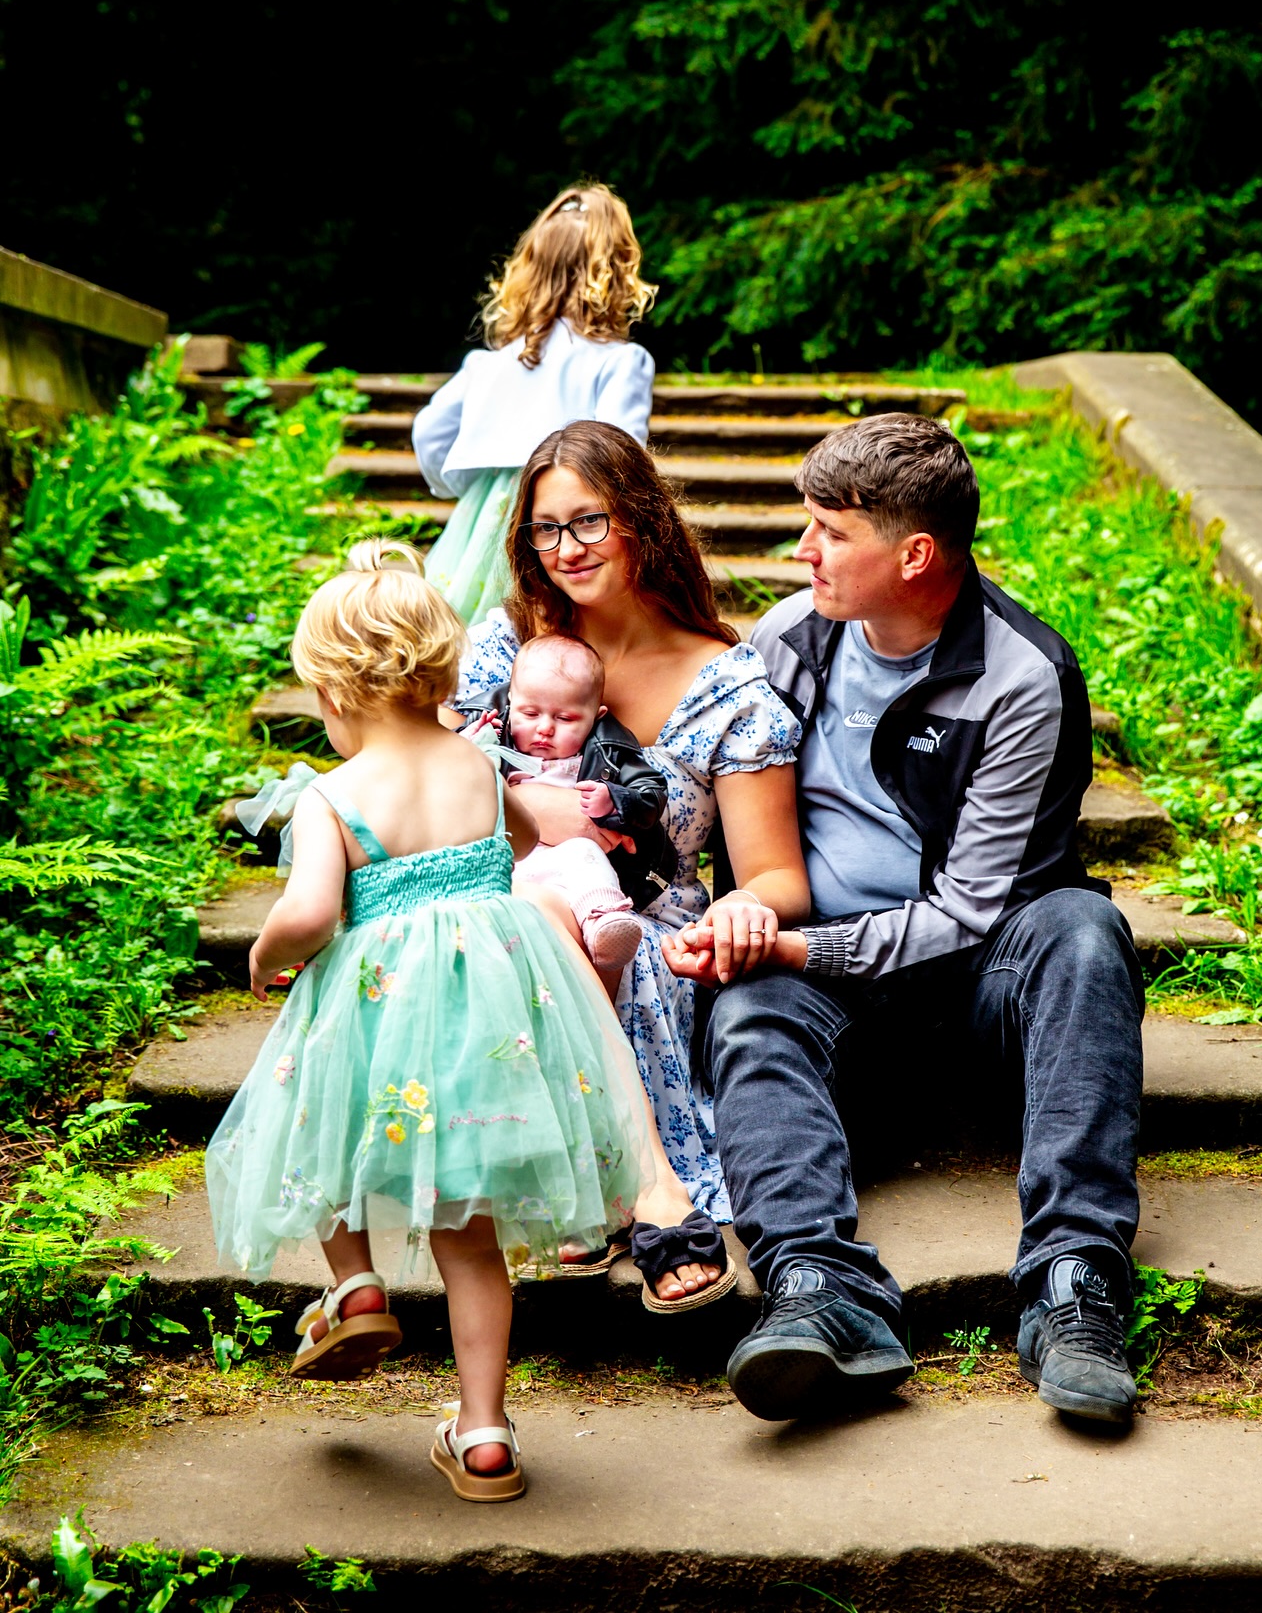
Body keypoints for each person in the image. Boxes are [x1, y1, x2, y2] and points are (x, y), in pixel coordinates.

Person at [666, 414, 1146, 1427]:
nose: (802, 553)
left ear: (914, 553)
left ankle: (1073, 1284)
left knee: (1081, 931)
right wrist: (741, 923)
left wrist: (803, 943)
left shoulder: (1023, 676)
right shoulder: (787, 641)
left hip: (974, 988)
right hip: (821, 988)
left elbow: (973, 912)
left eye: (829, 533)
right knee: (748, 1004)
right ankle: (816, 1288)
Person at [205, 541, 656, 1502]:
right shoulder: (481, 767)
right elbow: (534, 834)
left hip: (373, 1013)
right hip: (485, 1021)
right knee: (471, 1236)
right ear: (437, 676)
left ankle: (356, 1285)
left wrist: (265, 952)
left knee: (321, 1136)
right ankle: (486, 1433)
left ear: (334, 694)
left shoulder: (331, 796)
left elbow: (315, 912)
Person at [452, 421, 810, 1291]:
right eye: (545, 527)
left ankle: (604, 1193)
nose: (565, 549)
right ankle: (635, 1192)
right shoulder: (506, 650)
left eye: (588, 522)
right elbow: (447, 805)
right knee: (531, 922)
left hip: (649, 928)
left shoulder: (724, 681)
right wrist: (548, 815)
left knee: (590, 932)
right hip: (504, 905)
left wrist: (740, 908)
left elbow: (778, 877)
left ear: (641, 521)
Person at [412, 183, 657, 625]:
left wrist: (458, 487)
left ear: (529, 272)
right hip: (566, 528)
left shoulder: (488, 364)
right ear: (619, 272)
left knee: (468, 633)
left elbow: (429, 430)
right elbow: (624, 461)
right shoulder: (621, 361)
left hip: (484, 522)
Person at [460, 631, 671, 975]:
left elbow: (650, 793)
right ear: (511, 701)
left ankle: (604, 920)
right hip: (506, 860)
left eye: (565, 719)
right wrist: (468, 749)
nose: (544, 728)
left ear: (595, 716)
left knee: (582, 854)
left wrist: (614, 800)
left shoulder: (608, 751)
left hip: (565, 875)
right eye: (530, 713)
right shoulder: (492, 731)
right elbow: (443, 780)